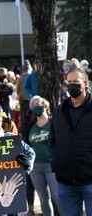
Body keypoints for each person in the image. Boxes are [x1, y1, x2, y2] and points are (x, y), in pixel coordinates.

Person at [50, 67, 92, 216]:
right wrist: (56, 162)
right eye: (69, 82)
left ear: (85, 83)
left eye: (76, 81)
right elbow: (52, 140)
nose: (72, 85)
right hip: (66, 181)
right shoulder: (59, 111)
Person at [26, 96, 61, 216]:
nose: (36, 106)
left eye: (38, 104)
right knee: (43, 198)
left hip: (51, 166)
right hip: (35, 167)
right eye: (33, 105)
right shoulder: (31, 126)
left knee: (57, 197)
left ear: (45, 106)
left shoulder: (53, 123)